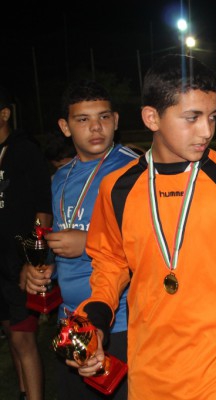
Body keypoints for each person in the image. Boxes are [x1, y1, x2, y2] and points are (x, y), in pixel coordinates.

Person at [66, 54, 216, 400]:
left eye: (212, 117)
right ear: (152, 117)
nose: (207, 131)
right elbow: (110, 263)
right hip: (152, 371)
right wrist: (95, 321)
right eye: (192, 118)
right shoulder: (117, 188)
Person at [25, 79, 139, 400]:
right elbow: (62, 237)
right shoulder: (60, 178)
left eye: (103, 117)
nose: (96, 127)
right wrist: (46, 270)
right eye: (83, 119)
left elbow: (152, 242)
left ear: (116, 120)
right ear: (65, 127)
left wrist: (88, 242)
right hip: (71, 321)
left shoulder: (135, 170)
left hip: (120, 322)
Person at [0, 85, 51, 400]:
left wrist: (33, 261)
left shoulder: (24, 150)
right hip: (0, 263)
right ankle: (22, 392)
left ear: (4, 114)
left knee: (23, 337)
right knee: (10, 332)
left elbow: (43, 211)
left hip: (19, 262)